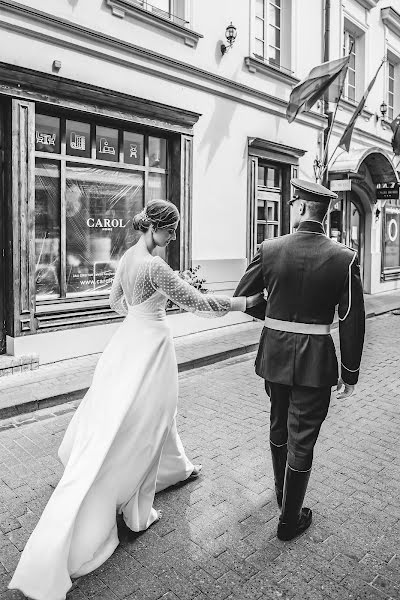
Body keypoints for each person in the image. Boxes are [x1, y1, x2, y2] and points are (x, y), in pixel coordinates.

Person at [9, 199, 262, 600]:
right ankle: (136, 509)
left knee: (143, 416)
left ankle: (176, 466)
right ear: (157, 228)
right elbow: (197, 304)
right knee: (151, 420)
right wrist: (244, 303)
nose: (174, 236)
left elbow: (114, 301)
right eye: (172, 229)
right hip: (152, 349)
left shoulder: (128, 257)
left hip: (128, 342)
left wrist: (138, 314)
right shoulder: (156, 267)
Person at [234, 178, 365, 541]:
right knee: (302, 437)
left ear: (304, 208)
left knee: (278, 425)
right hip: (316, 362)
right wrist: (350, 373)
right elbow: (351, 318)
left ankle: (281, 496)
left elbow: (244, 297)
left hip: (275, 355)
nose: (290, 208)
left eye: (293, 203)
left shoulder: (270, 248)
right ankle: (289, 520)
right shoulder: (345, 258)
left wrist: (277, 321)